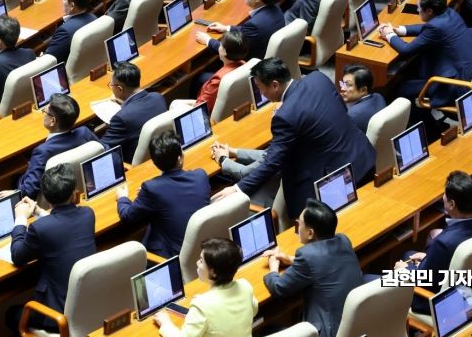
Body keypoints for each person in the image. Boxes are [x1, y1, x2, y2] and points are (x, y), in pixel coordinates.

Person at [213, 58, 375, 219]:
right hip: (363, 157)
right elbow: (341, 110)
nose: (261, 93)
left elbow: (272, 162)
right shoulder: (318, 78)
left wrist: (238, 188)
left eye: (260, 88)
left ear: (275, 85)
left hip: (337, 179)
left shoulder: (285, 116)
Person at [9, 164, 96, 333]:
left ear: (47, 198)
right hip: (88, 307)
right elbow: (62, 225)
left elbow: (17, 255)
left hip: (56, 317)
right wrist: (39, 213)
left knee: (12, 314)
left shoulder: (40, 228)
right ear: (73, 193)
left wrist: (20, 218)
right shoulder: (88, 214)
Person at [379, 0, 472, 134]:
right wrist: (401, 30)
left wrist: (389, 35)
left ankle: (431, 131)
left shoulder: (436, 27)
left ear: (430, 11)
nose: (417, 10)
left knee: (401, 90)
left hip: (454, 85)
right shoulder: (449, 13)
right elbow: (427, 28)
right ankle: (431, 125)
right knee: (413, 70)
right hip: (466, 72)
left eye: (419, 8)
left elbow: (406, 50)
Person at [395, 171, 472, 313]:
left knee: (391, 273)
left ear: (452, 204)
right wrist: (428, 258)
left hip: (440, 301)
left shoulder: (443, 243)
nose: (443, 197)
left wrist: (403, 271)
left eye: (445, 195)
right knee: (409, 254)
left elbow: (424, 283)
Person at [263, 199, 363, 337]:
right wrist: (291, 260)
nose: (297, 228)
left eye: (299, 224)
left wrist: (273, 268)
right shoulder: (343, 240)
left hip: (329, 332)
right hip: (356, 324)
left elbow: (279, 288)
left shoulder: (307, 256)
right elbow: (324, 261)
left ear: (310, 233)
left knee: (266, 330)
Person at [115, 132, 211, 257]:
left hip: (173, 255)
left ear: (155, 163)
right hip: (204, 247)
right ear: (180, 158)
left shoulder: (152, 188)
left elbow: (127, 216)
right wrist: (151, 192)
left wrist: (122, 197)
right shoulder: (200, 176)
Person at [154, 238, 258, 337]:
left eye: (201, 261)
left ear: (213, 272)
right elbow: (253, 311)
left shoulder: (201, 305)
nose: (197, 263)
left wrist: (166, 323)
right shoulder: (245, 286)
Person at [17, 93, 96, 200]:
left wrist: (15, 189)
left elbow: (29, 191)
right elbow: (104, 150)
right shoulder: (84, 132)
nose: (43, 112)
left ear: (52, 121)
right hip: (82, 191)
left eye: (45, 112)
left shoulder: (43, 151)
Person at [197, 0, 284, 59]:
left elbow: (231, 51)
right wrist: (226, 28)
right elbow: (249, 32)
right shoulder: (276, 8)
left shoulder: (254, 25)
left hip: (250, 62)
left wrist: (208, 40)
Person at [97, 61, 167, 162]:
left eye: (111, 85)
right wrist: (124, 102)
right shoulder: (158, 97)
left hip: (132, 164)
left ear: (120, 89)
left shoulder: (121, 118)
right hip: (159, 154)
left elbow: (101, 148)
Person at [193, 31, 248, 116]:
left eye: (221, 45)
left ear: (225, 52)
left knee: (175, 103)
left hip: (207, 114)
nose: (219, 47)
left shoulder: (218, 80)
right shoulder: (244, 65)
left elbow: (200, 109)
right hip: (231, 107)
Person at [44, 0, 97, 64]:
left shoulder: (65, 32)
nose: (62, 1)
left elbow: (49, 61)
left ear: (72, 6)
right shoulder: (94, 18)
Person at [339, 64, 386, 134]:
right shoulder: (378, 96)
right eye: (343, 84)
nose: (342, 88)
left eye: (348, 85)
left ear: (363, 90)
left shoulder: (352, 115)